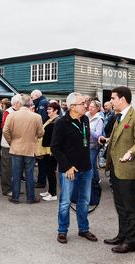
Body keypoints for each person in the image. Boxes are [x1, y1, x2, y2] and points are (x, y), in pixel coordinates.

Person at [100, 86, 135, 253]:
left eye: (113, 98)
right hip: (116, 168)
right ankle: (122, 235)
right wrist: (105, 140)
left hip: (129, 168)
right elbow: (116, 138)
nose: (111, 102)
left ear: (122, 99)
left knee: (130, 207)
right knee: (120, 205)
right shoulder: (118, 117)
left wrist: (130, 153)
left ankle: (130, 242)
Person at [51, 92, 97, 244]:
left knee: (84, 201)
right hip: (69, 170)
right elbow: (55, 148)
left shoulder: (85, 120)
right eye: (82, 103)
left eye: (85, 103)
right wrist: (67, 166)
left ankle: (83, 229)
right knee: (65, 202)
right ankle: (62, 231)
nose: (86, 106)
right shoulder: (61, 123)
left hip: (86, 168)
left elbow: (85, 142)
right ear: (72, 107)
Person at [3, 94, 44, 204]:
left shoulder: (12, 115)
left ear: (20, 103)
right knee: (29, 174)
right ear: (30, 104)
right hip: (30, 148)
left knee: (16, 173)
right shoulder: (36, 117)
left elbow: (5, 131)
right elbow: (41, 133)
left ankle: (15, 197)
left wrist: (11, 141)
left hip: (16, 148)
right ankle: (30, 198)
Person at [37, 102, 60, 201]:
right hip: (45, 149)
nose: (47, 111)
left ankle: (53, 194)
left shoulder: (57, 121)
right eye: (47, 109)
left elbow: (57, 138)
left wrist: (53, 150)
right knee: (47, 171)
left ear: (56, 110)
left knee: (51, 172)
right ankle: (50, 190)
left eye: (50, 109)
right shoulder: (50, 119)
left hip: (51, 151)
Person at [0, 94, 21, 196]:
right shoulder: (8, 112)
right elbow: (4, 129)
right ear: (17, 103)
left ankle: (15, 188)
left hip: (16, 144)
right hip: (7, 144)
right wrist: (11, 140)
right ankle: (7, 189)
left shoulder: (18, 112)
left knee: (15, 168)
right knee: (7, 168)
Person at [31, 89, 48, 188]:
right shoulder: (43, 102)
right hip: (43, 135)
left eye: (32, 98)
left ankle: (41, 181)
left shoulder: (42, 103)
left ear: (37, 96)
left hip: (42, 136)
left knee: (42, 160)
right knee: (42, 160)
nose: (32, 100)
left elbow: (41, 119)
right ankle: (41, 180)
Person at [87, 100, 104, 191]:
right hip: (85, 143)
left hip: (94, 145)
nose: (90, 108)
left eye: (93, 107)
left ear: (97, 109)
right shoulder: (86, 115)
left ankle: (92, 184)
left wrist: (88, 130)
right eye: (90, 106)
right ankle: (96, 179)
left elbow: (99, 134)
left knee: (90, 163)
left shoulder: (99, 119)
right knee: (92, 163)